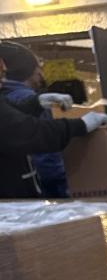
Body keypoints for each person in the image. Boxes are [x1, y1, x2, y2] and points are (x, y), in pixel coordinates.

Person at [0, 52, 107, 198]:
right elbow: (28, 131)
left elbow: (12, 113)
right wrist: (81, 125)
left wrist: (37, 103)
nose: (4, 72)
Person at [0, 41, 71, 198]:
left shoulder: (5, 98)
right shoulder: (29, 99)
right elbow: (47, 155)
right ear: (31, 71)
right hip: (34, 189)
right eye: (39, 66)